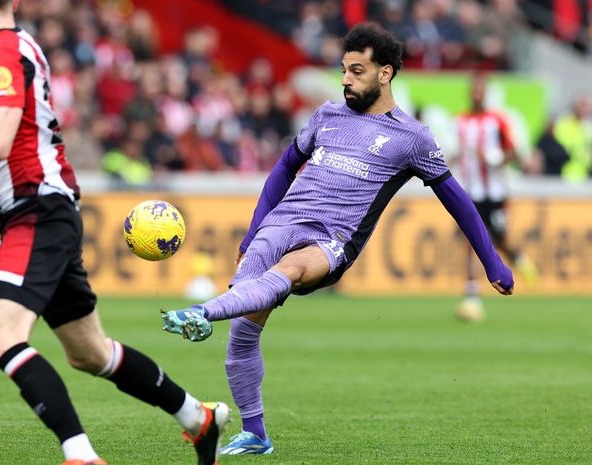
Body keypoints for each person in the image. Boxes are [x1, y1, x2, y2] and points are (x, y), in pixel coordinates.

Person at [0, 1, 230, 464]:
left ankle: (81, 455)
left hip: (36, 210)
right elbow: (14, 136)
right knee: (89, 353)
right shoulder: (18, 46)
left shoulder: (0, 52)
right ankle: (198, 417)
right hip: (52, 207)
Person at [159, 23, 514, 455]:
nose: (346, 79)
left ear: (385, 73)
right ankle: (255, 434)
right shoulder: (327, 114)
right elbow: (284, 168)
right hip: (283, 223)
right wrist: (256, 229)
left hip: (331, 242)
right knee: (243, 332)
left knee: (286, 272)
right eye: (344, 69)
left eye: (357, 70)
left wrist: (491, 261)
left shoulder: (412, 137)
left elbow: (457, 200)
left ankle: (200, 311)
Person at [453, 73, 537, 322]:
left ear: (486, 94)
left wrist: (493, 158)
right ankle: (471, 296)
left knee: (499, 239)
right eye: (473, 90)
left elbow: (515, 154)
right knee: (472, 240)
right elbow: (455, 153)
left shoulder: (496, 122)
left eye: (480, 91)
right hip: (471, 192)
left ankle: (521, 261)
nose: (476, 95)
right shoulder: (459, 121)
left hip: (496, 192)